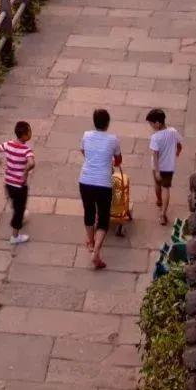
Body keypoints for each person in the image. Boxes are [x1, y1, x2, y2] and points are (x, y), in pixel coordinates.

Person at [79, 107, 122, 269]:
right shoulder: (113, 140)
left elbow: (83, 151)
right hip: (103, 182)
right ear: (107, 123)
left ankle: (90, 242)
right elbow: (118, 160)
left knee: (89, 212)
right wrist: (109, 163)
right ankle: (96, 251)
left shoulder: (86, 135)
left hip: (85, 179)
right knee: (103, 218)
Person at [0, 119, 35, 244]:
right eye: (30, 131)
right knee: (19, 210)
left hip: (8, 183)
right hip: (20, 185)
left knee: (15, 202)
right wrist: (26, 171)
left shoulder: (8, 144)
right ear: (26, 135)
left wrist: (0, 163)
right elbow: (32, 163)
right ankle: (15, 236)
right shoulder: (26, 150)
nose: (31, 133)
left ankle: (18, 211)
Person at [146, 108, 183, 225]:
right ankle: (163, 214)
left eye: (151, 123)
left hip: (157, 167)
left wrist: (157, 171)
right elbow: (179, 144)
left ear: (157, 123)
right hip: (169, 166)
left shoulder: (155, 137)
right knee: (166, 188)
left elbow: (155, 155)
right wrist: (177, 152)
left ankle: (159, 200)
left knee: (157, 185)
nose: (151, 126)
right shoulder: (173, 132)